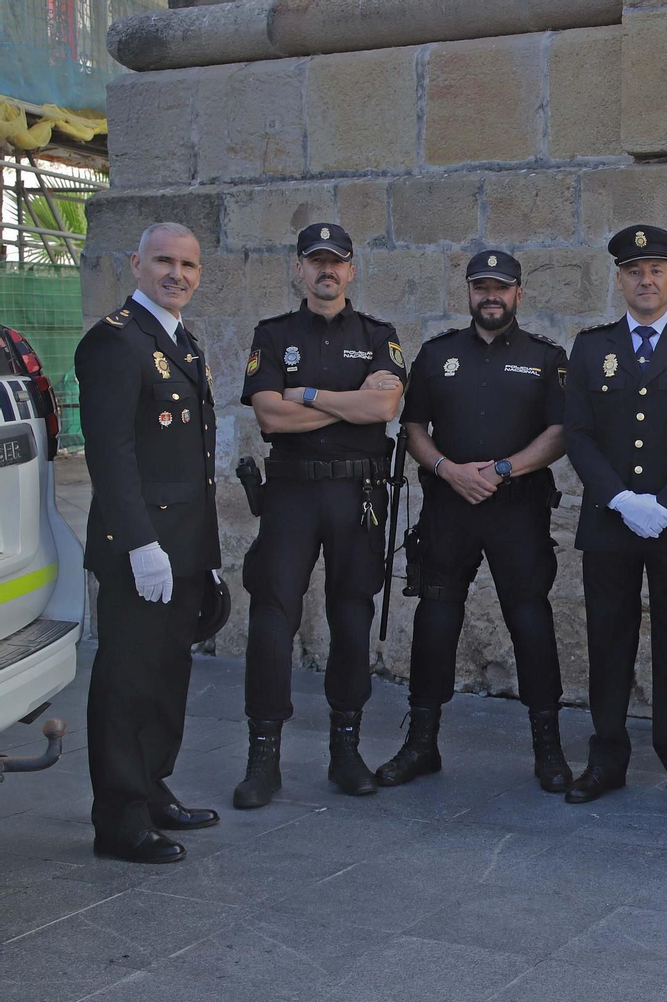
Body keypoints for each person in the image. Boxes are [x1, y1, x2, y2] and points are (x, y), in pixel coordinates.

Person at [375, 251, 571, 791]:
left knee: (531, 623)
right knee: (435, 623)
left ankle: (548, 751)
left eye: (501, 287)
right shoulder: (437, 355)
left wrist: (503, 470)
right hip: (449, 508)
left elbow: (560, 432)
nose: (491, 295)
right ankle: (420, 745)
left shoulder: (545, 357)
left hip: (518, 508)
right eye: (481, 286)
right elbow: (413, 426)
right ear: (467, 292)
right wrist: (447, 469)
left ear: (519, 294)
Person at [232, 223, 405, 808]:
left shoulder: (380, 335)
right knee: (273, 618)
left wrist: (304, 394)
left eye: (337, 261)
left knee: (352, 616)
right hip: (291, 497)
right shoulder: (272, 334)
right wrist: (346, 405)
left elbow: (384, 405)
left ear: (351, 270)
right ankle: (263, 760)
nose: (326, 270)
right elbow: (270, 419)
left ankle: (346, 752)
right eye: (316, 261)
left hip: (357, 496)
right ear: (299, 269)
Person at [561, 224, 667, 808]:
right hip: (610, 522)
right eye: (634, 271)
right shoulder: (591, 347)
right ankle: (606, 757)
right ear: (620, 279)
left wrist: (665, 503)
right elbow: (578, 434)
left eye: (656, 269)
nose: (646, 280)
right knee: (608, 641)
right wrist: (619, 499)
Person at [75, 221, 220, 863]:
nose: (177, 274)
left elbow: (196, 461)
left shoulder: (181, 341)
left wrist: (205, 557)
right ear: (136, 263)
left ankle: (154, 787)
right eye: (164, 261)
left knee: (167, 677)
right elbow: (111, 453)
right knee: (129, 681)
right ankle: (120, 818)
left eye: (188, 265)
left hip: (183, 548)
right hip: (141, 549)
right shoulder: (115, 343)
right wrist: (138, 543)